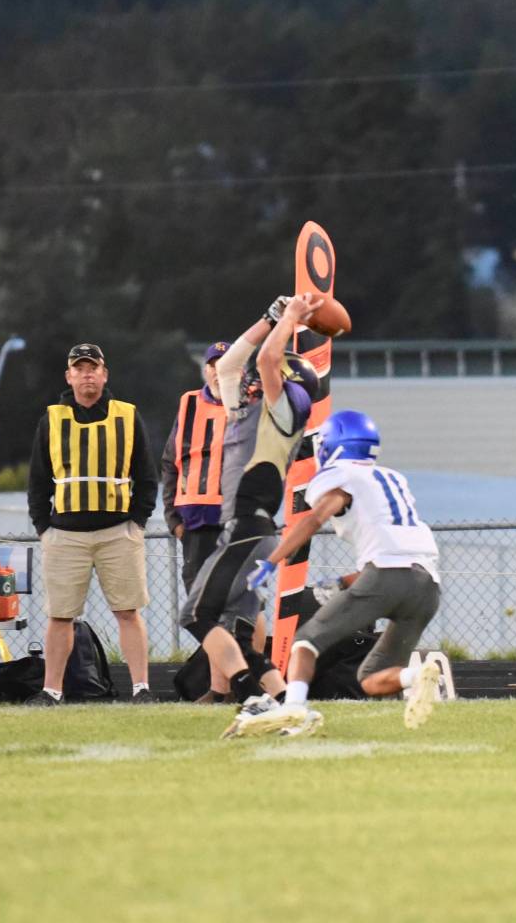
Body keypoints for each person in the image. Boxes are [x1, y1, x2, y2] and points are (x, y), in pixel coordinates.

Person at [240, 409, 442, 738]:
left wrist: (272, 560)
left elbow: (314, 518)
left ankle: (293, 712)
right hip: (428, 587)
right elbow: (397, 554)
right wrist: (342, 583)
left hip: (387, 577)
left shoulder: (342, 476)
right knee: (371, 678)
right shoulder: (392, 478)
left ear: (334, 444)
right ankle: (416, 677)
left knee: (306, 641)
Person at [179, 293, 322, 736]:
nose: (253, 383)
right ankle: (289, 706)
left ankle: (251, 698)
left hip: (247, 529)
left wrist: (292, 319)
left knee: (197, 615)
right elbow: (229, 366)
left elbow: (267, 362)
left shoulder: (284, 407)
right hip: (251, 532)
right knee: (241, 637)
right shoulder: (255, 409)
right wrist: (269, 318)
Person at [27, 343, 158, 705]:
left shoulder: (127, 416)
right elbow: (38, 480)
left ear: (104, 374)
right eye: (79, 368)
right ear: (69, 376)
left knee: (128, 611)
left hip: (118, 532)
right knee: (60, 615)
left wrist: (137, 523)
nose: (86, 374)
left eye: (92, 367)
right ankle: (52, 690)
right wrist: (45, 528)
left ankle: (141, 688)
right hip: (65, 535)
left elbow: (147, 476)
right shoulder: (51, 419)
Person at [161, 341, 231, 595]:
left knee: (241, 599)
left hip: (236, 520)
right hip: (194, 524)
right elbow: (170, 462)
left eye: (223, 364)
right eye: (211, 365)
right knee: (199, 603)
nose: (217, 370)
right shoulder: (189, 403)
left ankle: (238, 638)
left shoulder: (250, 405)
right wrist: (173, 519)